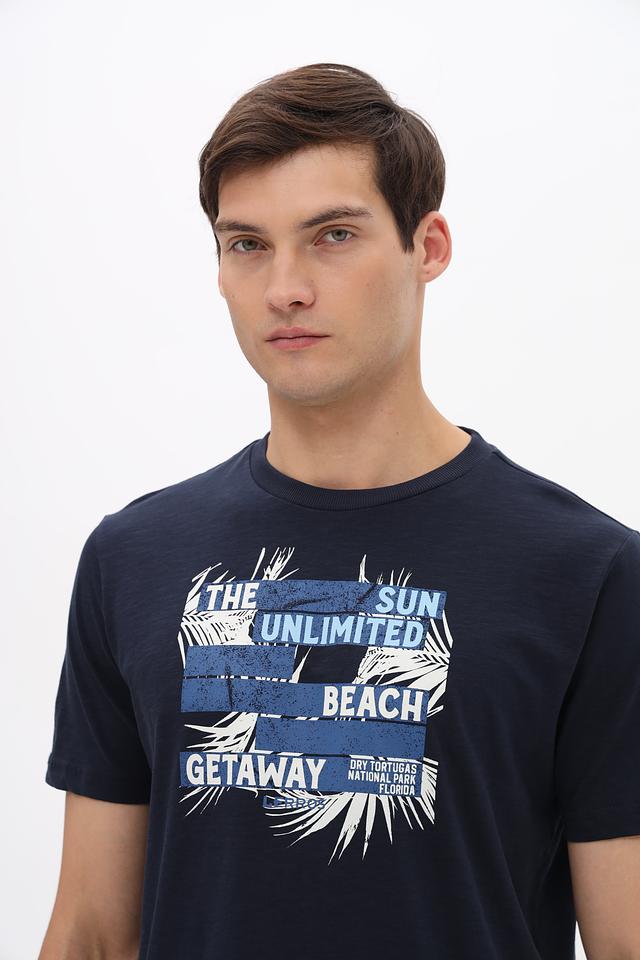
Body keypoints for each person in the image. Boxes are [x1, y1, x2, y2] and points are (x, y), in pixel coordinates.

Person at [39, 62, 640, 960]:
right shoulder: (133, 558)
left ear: (427, 247)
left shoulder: (588, 573)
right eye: (248, 244)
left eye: (333, 235)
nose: (285, 287)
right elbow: (90, 934)